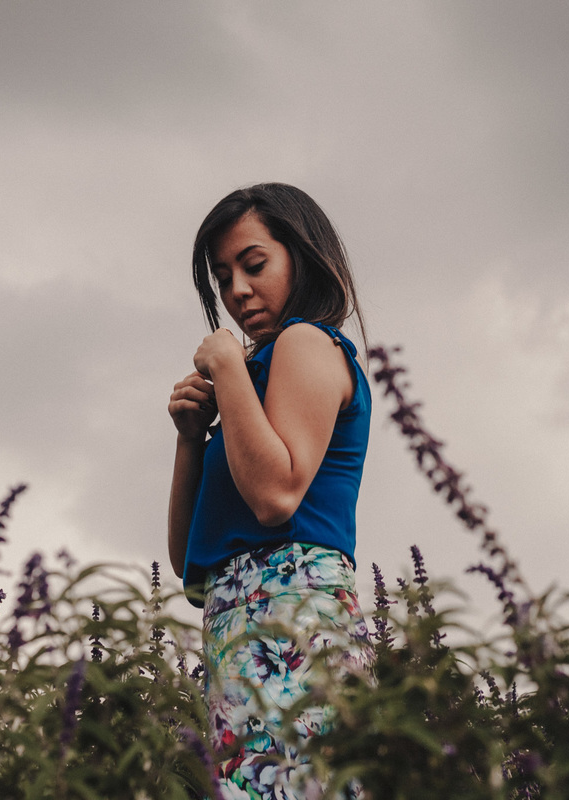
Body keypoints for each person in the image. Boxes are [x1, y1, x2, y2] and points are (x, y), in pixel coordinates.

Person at [167, 183, 373, 798]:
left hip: (293, 623)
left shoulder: (306, 342)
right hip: (235, 635)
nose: (237, 290)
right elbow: (189, 563)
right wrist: (190, 439)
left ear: (302, 256)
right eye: (223, 278)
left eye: (254, 265)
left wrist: (229, 367)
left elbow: (276, 496)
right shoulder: (253, 386)